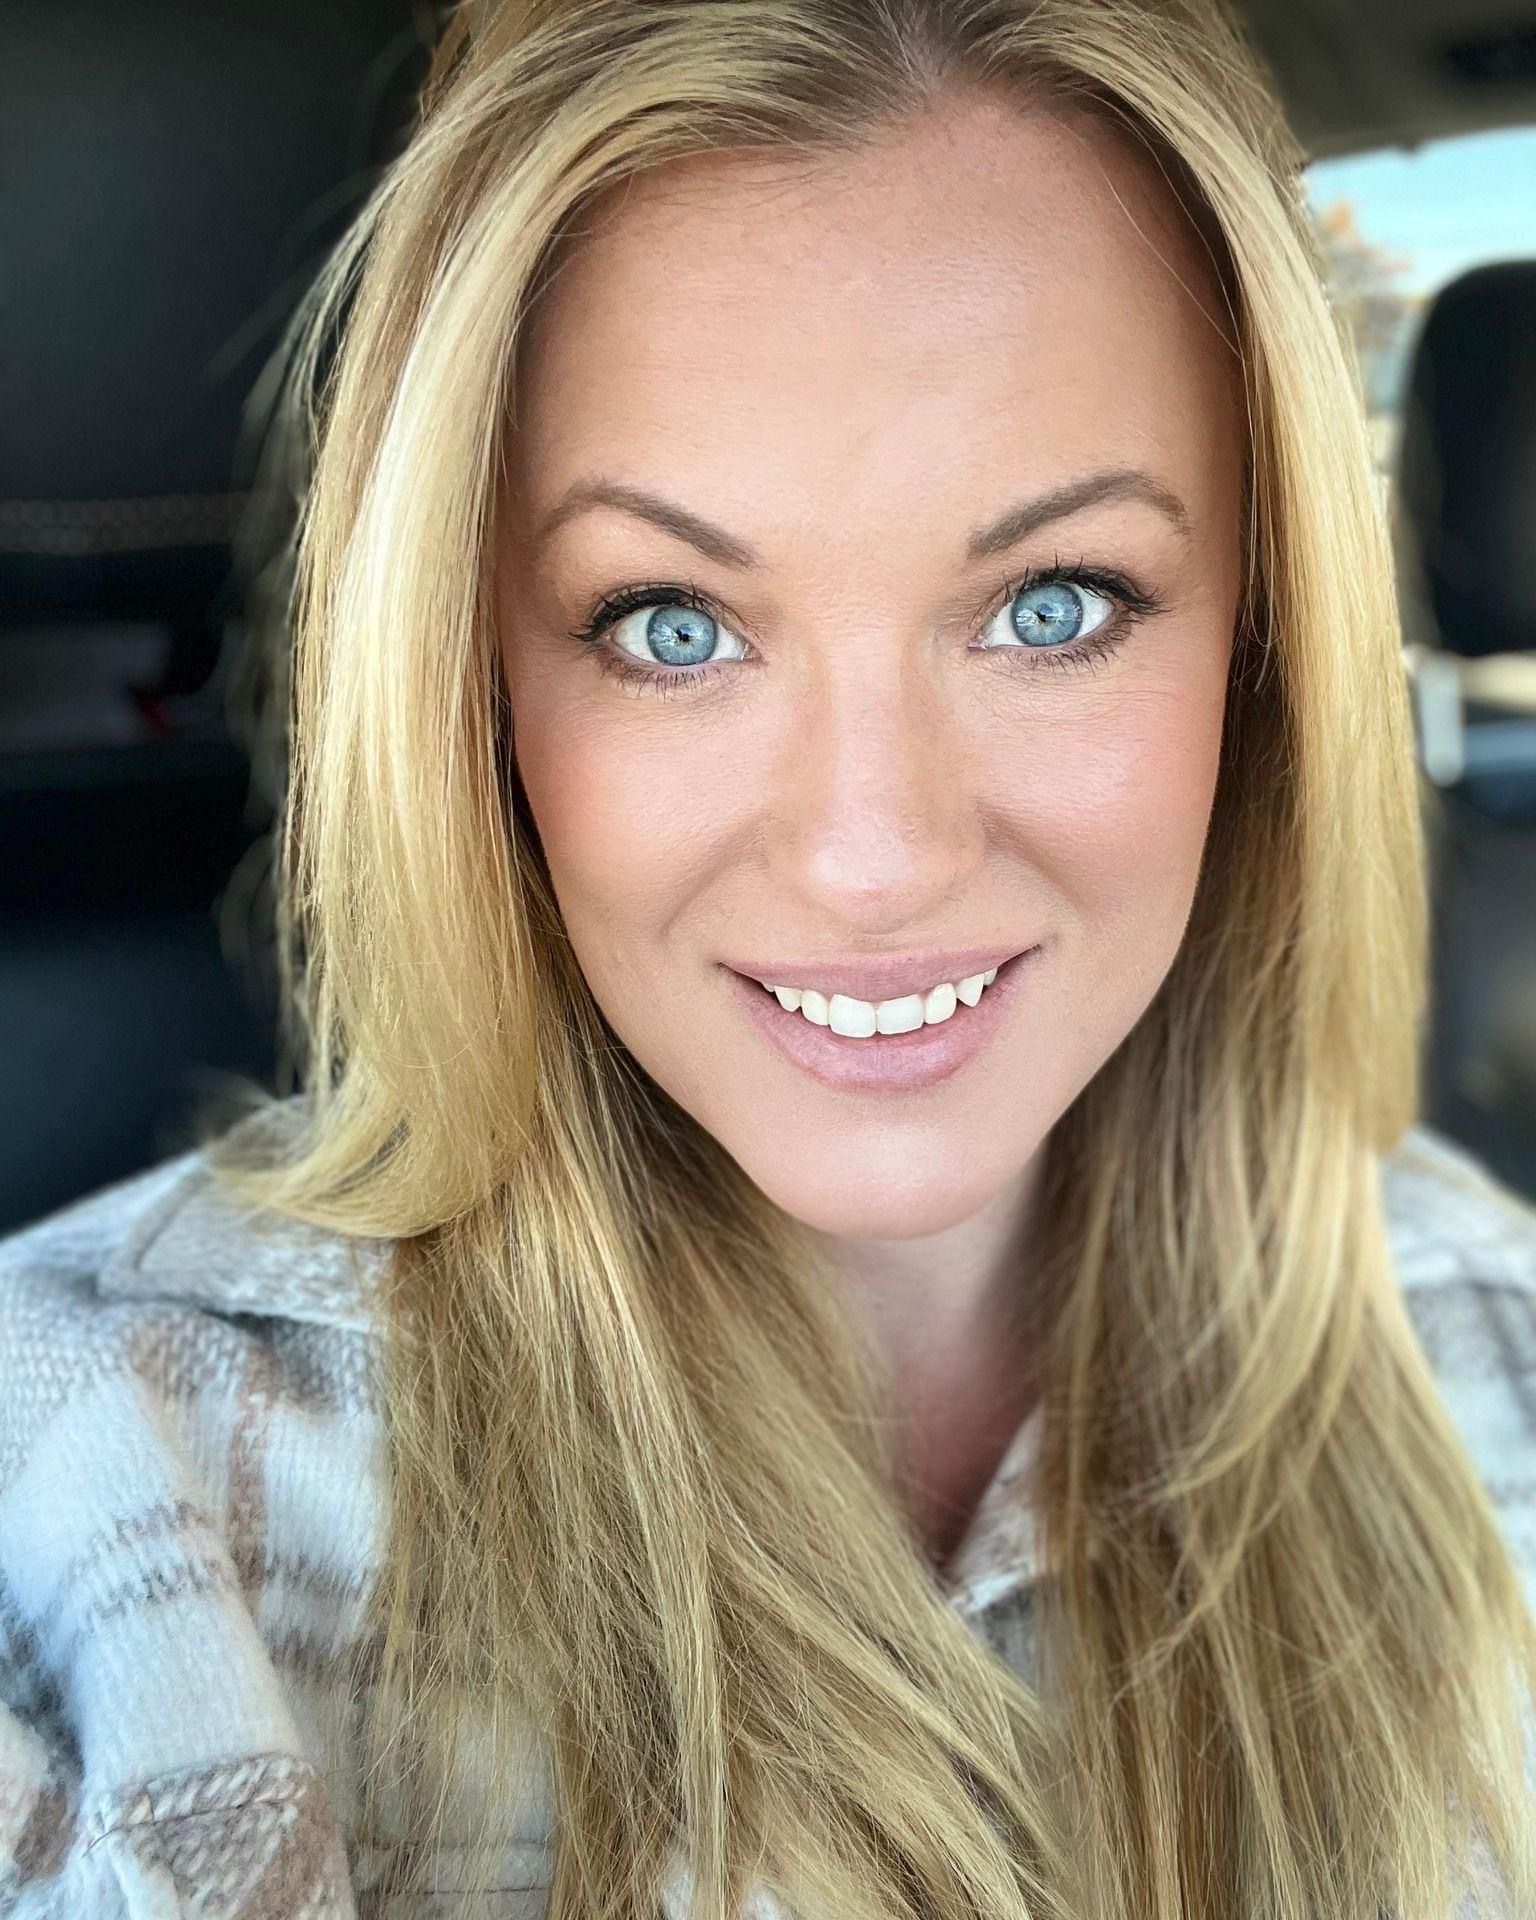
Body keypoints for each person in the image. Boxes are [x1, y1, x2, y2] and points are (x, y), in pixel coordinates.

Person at [2, 0, 1534, 1914]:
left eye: (1054, 607)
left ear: (1262, 649)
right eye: (668, 626)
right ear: (474, 688)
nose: (872, 858)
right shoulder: (86, 1482)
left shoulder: (1494, 1345)